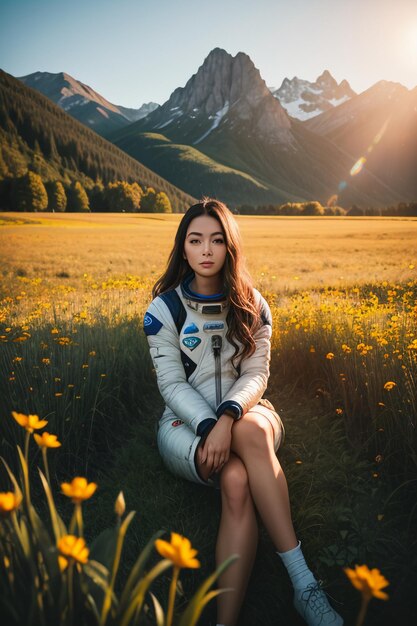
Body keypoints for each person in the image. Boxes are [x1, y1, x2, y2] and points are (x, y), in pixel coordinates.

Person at [143, 198, 343, 626]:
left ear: (230, 247)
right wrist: (209, 425)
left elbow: (256, 374)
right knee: (234, 479)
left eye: (217, 240)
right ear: (183, 248)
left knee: (250, 434)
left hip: (249, 415)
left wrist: (228, 418)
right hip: (184, 424)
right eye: (196, 241)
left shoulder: (254, 305)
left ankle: (303, 584)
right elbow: (172, 385)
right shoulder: (164, 310)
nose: (206, 250)